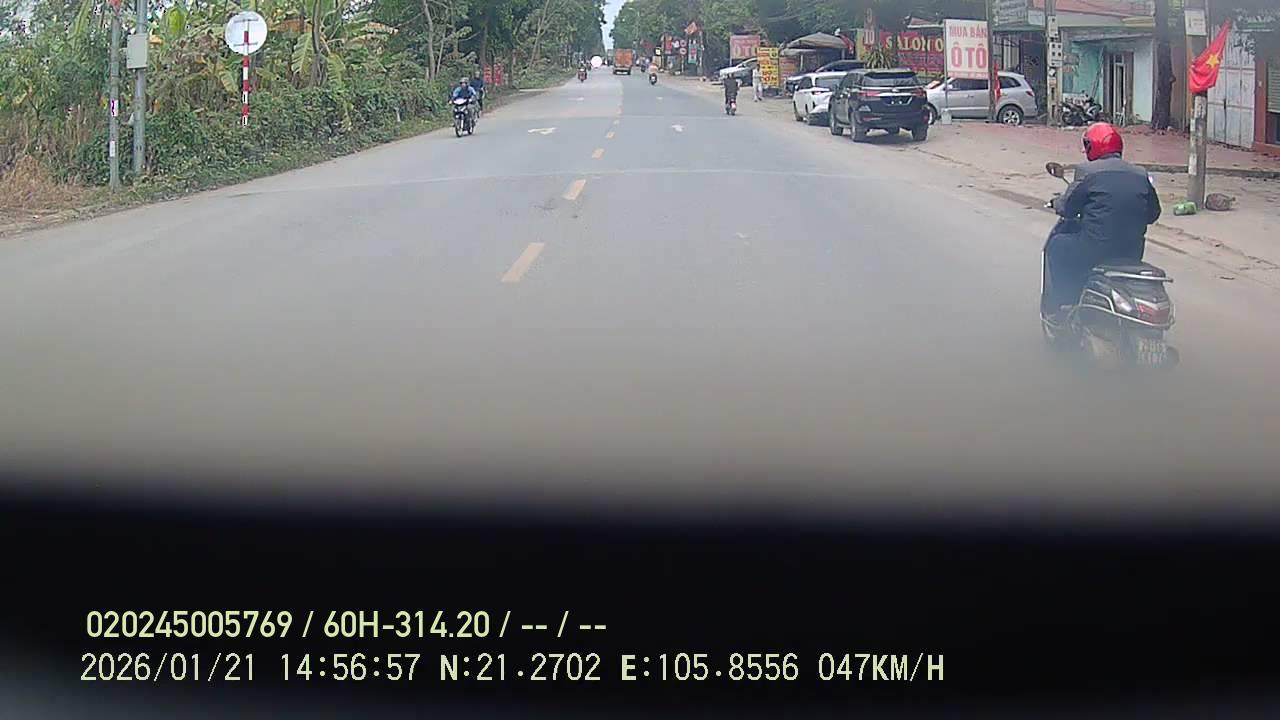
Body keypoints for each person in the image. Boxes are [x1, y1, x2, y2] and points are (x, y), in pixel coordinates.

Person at [1041, 122, 1162, 324]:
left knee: (1056, 246)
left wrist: (1056, 203)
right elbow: (1153, 214)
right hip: (1132, 251)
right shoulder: (1141, 174)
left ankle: (1063, 305)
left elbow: (1068, 207)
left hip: (1094, 249)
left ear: (1092, 147)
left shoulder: (1087, 171)